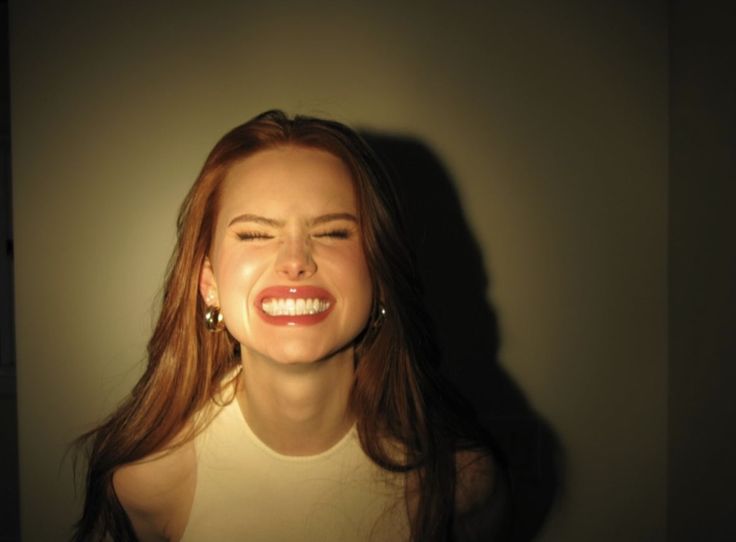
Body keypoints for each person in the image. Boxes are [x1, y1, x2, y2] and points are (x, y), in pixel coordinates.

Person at [73, 110, 510, 541]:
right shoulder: (145, 486)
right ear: (209, 284)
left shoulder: (462, 485)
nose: (296, 261)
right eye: (255, 235)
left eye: (333, 232)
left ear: (379, 278)